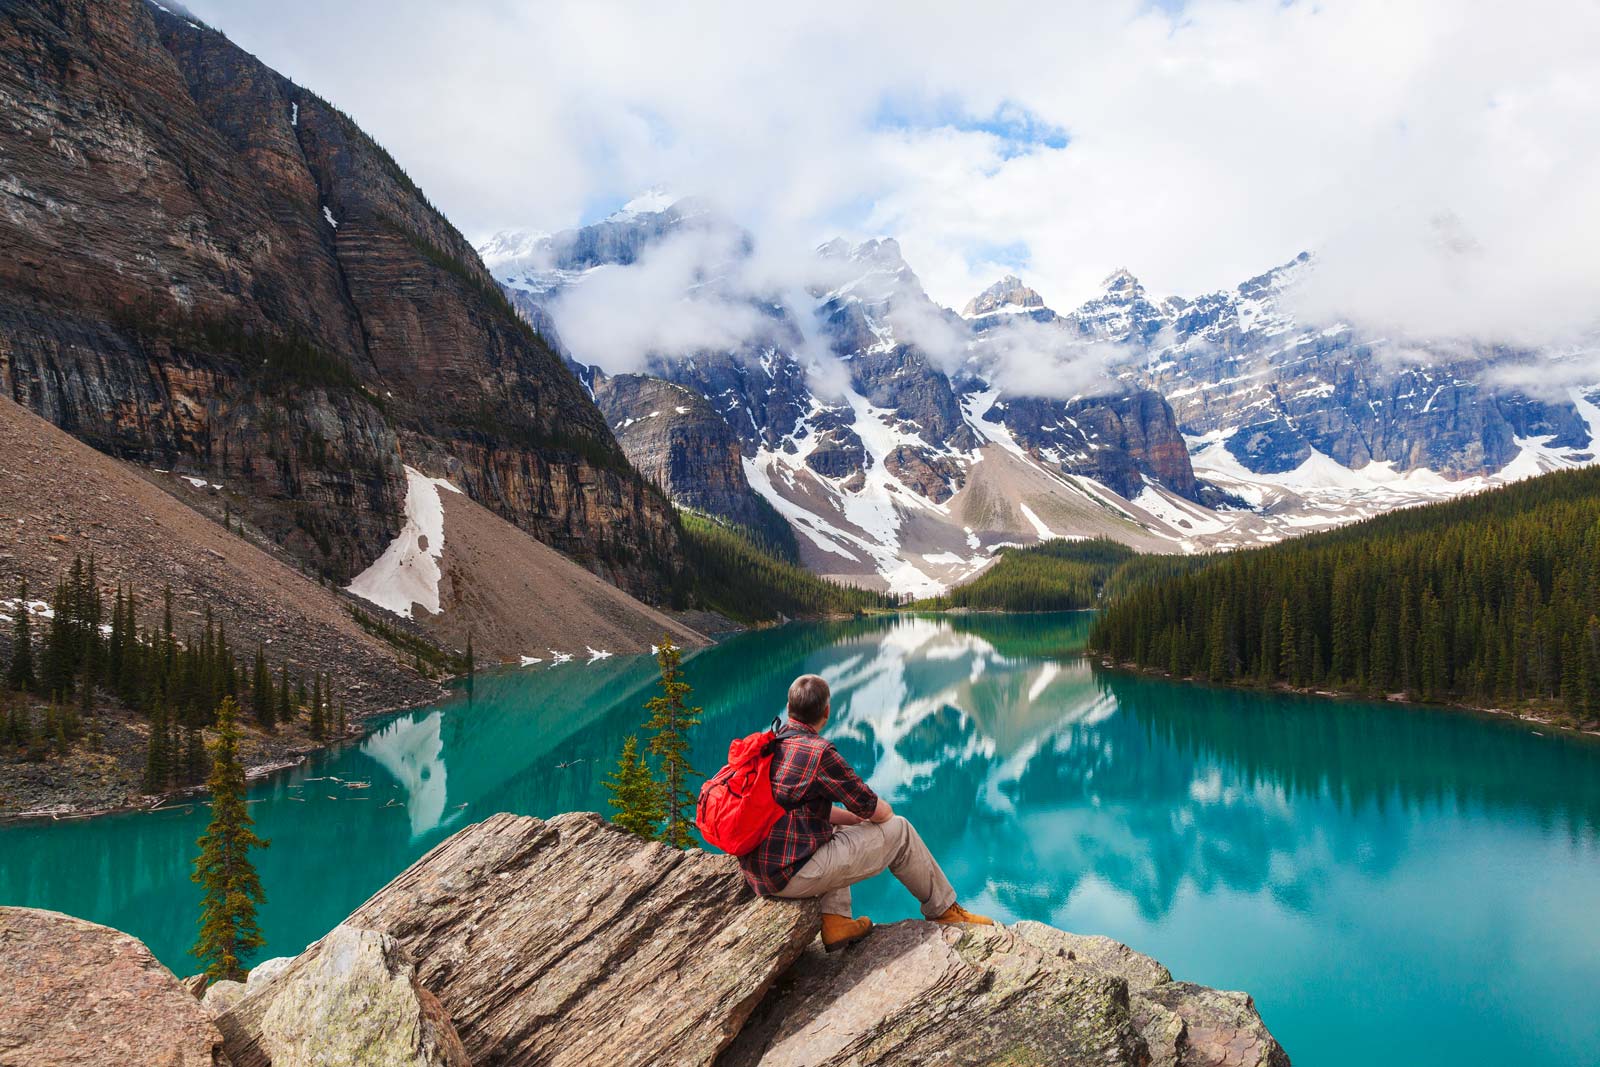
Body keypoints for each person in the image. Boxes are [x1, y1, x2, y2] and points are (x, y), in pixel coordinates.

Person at [739, 673, 994, 951]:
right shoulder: (819, 753)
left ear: (789, 709)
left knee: (837, 829)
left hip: (759, 871)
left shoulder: (772, 744)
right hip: (789, 876)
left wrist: (852, 820)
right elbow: (873, 808)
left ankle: (836, 921)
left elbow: (798, 810)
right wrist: (879, 817)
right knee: (902, 831)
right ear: (826, 712)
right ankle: (943, 910)